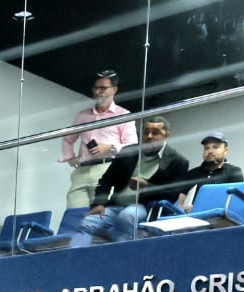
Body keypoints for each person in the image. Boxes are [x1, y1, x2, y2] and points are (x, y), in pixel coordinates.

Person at [71, 115, 190, 246]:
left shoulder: (178, 161)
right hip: (116, 205)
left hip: (145, 207)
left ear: (167, 135)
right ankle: (75, 254)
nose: (149, 136)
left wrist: (147, 187)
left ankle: (123, 252)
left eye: (155, 133)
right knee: (88, 223)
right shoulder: (128, 152)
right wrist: (99, 203)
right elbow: (106, 180)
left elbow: (172, 195)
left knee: (127, 216)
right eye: (146, 132)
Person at [59, 69, 137, 210]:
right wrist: (69, 156)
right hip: (81, 171)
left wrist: (110, 147)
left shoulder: (124, 115)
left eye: (102, 88)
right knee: (73, 213)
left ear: (114, 90)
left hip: (106, 169)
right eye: (95, 88)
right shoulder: (83, 116)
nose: (97, 92)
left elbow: (132, 146)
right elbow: (67, 139)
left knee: (99, 213)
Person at [180, 131, 244, 208]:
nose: (210, 151)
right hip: (193, 215)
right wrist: (185, 209)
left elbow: (238, 202)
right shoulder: (192, 174)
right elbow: (180, 203)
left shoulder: (234, 172)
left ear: (225, 151)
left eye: (215, 147)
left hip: (222, 214)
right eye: (207, 148)